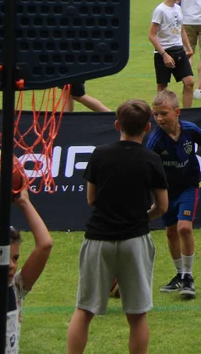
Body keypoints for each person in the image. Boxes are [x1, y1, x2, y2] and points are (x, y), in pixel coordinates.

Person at [65, 100, 169, 354]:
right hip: (135, 240)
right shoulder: (152, 159)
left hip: (98, 239)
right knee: (137, 315)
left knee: (84, 309)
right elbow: (162, 206)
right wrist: (140, 217)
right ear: (147, 127)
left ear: (116, 125)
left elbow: (91, 199)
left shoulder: (100, 154)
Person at [146, 90, 201, 301]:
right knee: (170, 233)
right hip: (166, 191)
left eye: (163, 113)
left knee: (184, 227)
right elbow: (148, 169)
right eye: (155, 114)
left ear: (177, 112)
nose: (159, 118)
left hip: (189, 186)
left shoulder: (191, 130)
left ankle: (188, 277)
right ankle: (179, 274)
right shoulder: (155, 140)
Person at [6, 185, 52, 354]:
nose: (11, 265)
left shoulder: (16, 287)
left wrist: (25, 203)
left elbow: (45, 245)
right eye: (3, 258)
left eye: (15, 258)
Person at [148, 0, 195, 109]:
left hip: (179, 50)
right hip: (164, 52)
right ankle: (159, 113)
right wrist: (164, 55)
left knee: (189, 82)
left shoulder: (178, 8)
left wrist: (189, 48)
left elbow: (182, 29)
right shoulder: (160, 11)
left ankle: (187, 114)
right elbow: (151, 35)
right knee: (162, 87)